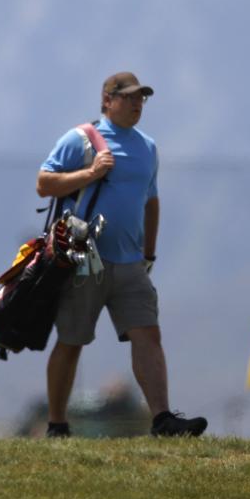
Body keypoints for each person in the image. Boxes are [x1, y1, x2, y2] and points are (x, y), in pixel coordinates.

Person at [36, 72, 207, 438]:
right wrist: (90, 173)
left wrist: (149, 254)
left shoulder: (147, 147)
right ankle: (56, 424)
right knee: (72, 340)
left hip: (132, 264)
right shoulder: (80, 139)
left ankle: (162, 419)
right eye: (128, 97)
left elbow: (151, 200)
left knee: (148, 333)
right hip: (84, 261)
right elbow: (44, 184)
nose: (136, 103)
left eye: (141, 98)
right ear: (107, 100)